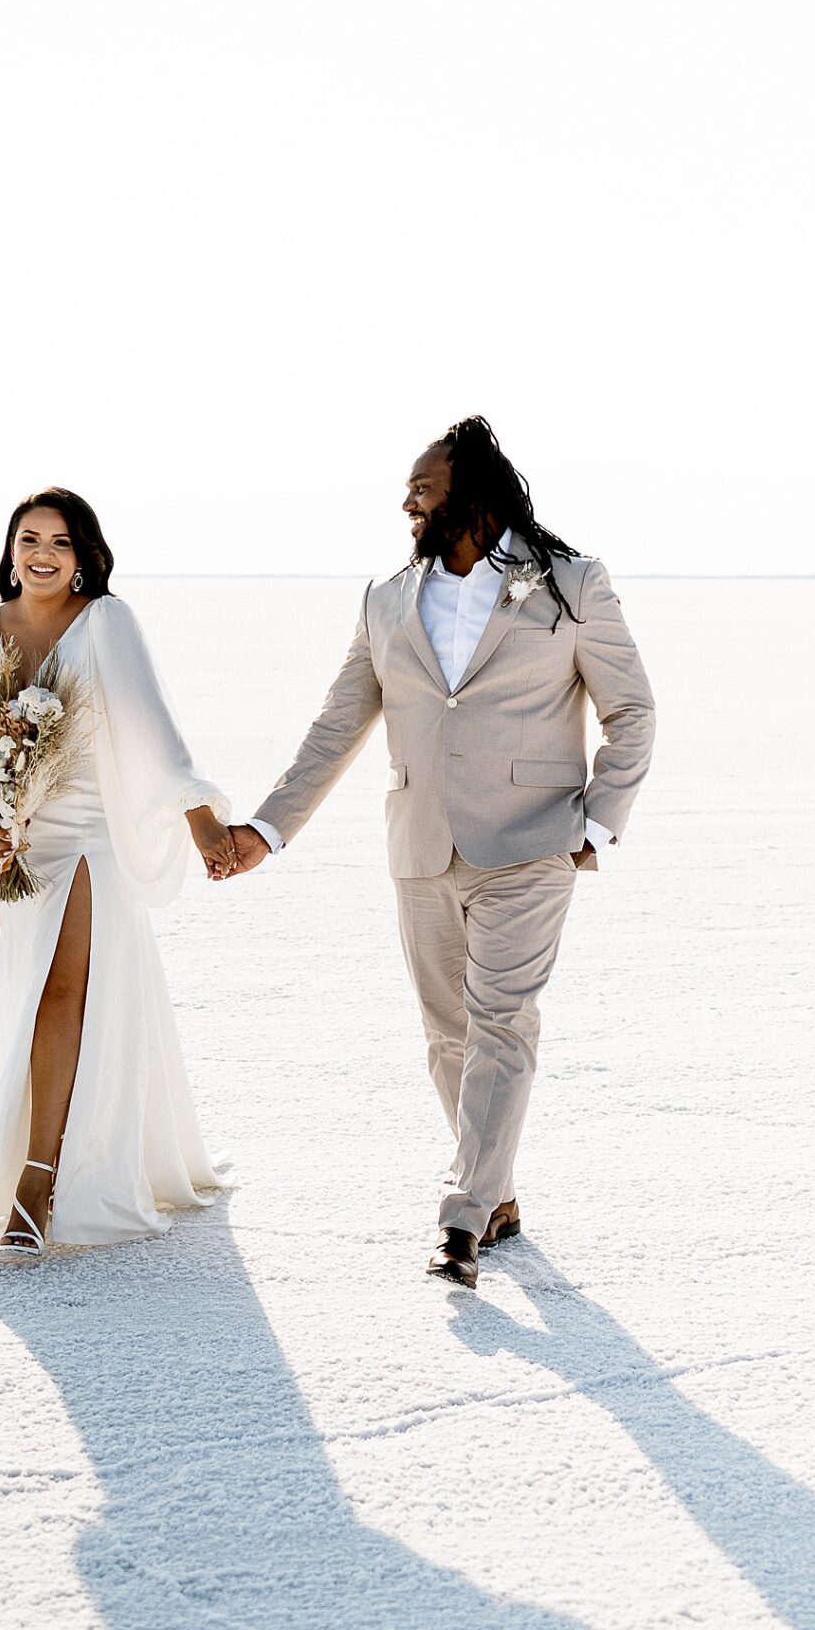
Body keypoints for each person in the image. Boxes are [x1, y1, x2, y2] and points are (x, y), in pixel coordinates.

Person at [226, 416, 655, 1287]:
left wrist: (595, 824)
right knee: (446, 1035)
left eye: (422, 488)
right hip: (420, 842)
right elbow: (337, 725)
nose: (407, 503)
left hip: (533, 842)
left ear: (475, 497)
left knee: (502, 1023)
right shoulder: (387, 597)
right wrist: (268, 829)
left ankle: (459, 1222)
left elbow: (631, 711)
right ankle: (493, 1194)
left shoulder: (568, 585)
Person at [0, 488, 237, 1257]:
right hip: (17, 839)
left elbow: (150, 723)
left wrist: (201, 818)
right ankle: (35, 1156)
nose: (41, 554)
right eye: (29, 538)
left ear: (84, 559)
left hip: (86, 835)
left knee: (62, 993)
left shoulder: (106, 621)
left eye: (60, 543)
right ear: (10, 550)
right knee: (22, 1001)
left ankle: (40, 1182)